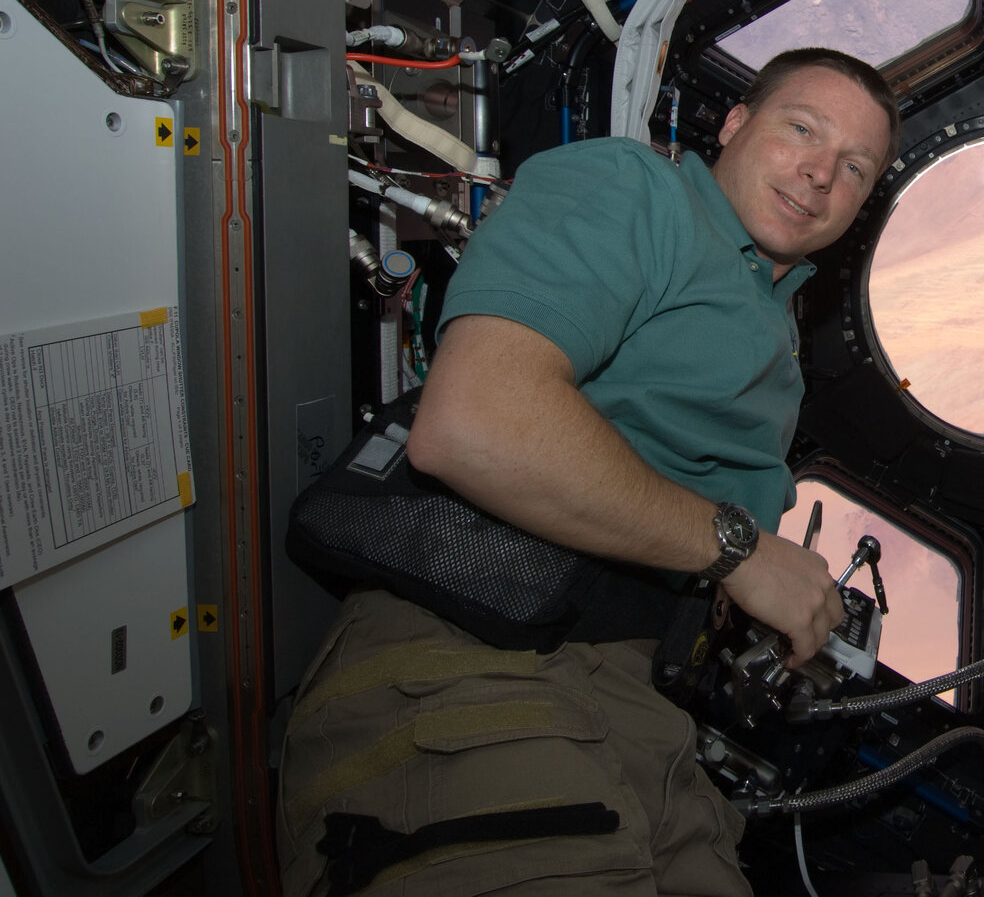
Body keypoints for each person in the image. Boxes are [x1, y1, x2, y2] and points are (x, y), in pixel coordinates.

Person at [278, 48, 899, 897]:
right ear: (734, 123)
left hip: (644, 721)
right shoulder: (634, 191)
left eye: (856, 169)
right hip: (484, 659)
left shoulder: (771, 320)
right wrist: (743, 553)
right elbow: (476, 423)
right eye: (802, 128)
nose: (822, 173)